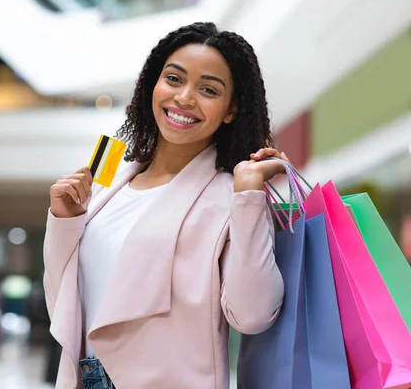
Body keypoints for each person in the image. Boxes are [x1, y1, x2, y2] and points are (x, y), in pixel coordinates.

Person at [43, 22, 289, 388]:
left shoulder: (231, 195)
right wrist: (66, 221)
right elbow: (62, 303)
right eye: (174, 79)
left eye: (208, 89)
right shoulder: (109, 176)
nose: (185, 97)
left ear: (230, 110)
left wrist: (250, 195)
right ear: (152, 85)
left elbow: (251, 315)